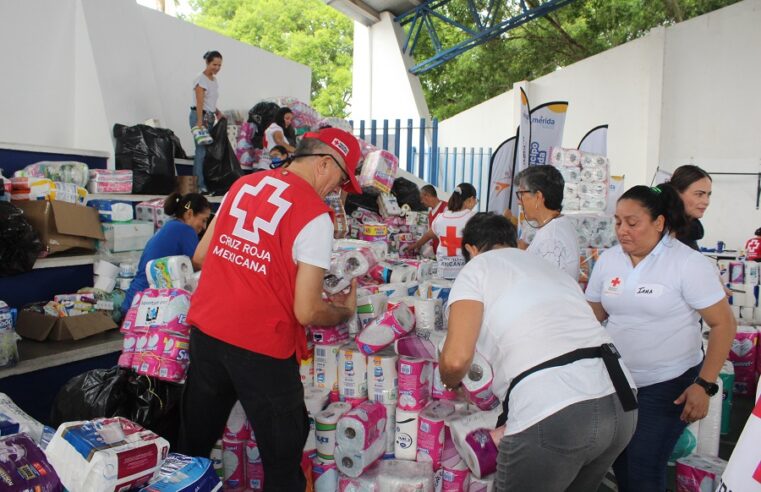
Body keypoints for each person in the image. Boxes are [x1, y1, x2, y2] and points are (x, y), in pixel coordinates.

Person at [177, 128, 362, 489]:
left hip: (207, 335)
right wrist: (343, 311)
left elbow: (201, 256)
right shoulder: (314, 214)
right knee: (282, 464)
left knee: (191, 449)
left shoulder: (243, 185)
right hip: (262, 348)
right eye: (340, 181)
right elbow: (307, 312)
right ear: (324, 164)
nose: (337, 191)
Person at [439, 212, 637, 492]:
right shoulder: (549, 269)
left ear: (471, 249)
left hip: (557, 413)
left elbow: (456, 358)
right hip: (620, 400)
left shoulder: (477, 268)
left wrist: (449, 380)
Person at [585, 184, 736, 492]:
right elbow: (592, 317)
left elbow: (724, 325)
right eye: (617, 221)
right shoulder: (609, 260)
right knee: (621, 461)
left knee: (643, 465)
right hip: (617, 381)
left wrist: (705, 384)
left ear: (659, 222)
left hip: (667, 382)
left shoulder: (687, 263)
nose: (622, 230)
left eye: (632, 222)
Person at [120, 192, 211, 313]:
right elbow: (199, 263)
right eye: (203, 220)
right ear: (189, 214)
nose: (204, 227)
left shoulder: (171, 227)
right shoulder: (185, 230)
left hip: (134, 300)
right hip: (147, 306)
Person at [514, 165, 580, 280]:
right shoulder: (557, 225)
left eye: (521, 194)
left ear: (538, 197)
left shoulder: (551, 238)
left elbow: (548, 287)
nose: (519, 202)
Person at [423, 183, 478, 279]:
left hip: (442, 275)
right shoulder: (473, 218)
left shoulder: (440, 217)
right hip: (463, 276)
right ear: (470, 200)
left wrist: (416, 244)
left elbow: (430, 234)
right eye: (476, 200)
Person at [190, 51, 225, 193]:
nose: (216, 68)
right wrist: (199, 122)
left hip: (209, 117)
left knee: (206, 152)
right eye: (214, 64)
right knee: (201, 151)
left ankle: (205, 183)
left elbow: (209, 101)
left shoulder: (214, 80)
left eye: (219, 65)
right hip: (200, 117)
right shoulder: (201, 79)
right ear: (207, 63)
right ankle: (198, 185)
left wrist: (217, 111)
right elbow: (199, 102)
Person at [669, 164, 712, 250]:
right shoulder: (663, 234)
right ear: (677, 194)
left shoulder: (689, 230)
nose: (706, 202)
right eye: (699, 194)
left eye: (708, 195)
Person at [411, 185, 447, 254]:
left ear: (427, 195)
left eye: (422, 198)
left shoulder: (446, 208)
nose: (421, 201)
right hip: (437, 254)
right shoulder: (430, 214)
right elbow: (429, 235)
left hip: (446, 253)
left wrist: (418, 244)